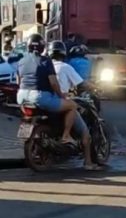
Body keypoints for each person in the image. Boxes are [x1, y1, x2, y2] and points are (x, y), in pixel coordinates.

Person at [47, 40, 101, 171]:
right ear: (63, 54)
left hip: (47, 102)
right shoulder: (65, 67)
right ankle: (88, 163)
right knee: (85, 133)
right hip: (61, 101)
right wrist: (96, 87)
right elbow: (82, 84)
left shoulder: (46, 66)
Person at [17, 34, 77, 145]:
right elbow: (54, 83)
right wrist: (61, 95)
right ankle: (66, 135)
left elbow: (19, 81)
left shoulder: (21, 61)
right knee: (72, 106)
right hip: (40, 97)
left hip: (21, 96)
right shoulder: (45, 60)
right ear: (43, 47)